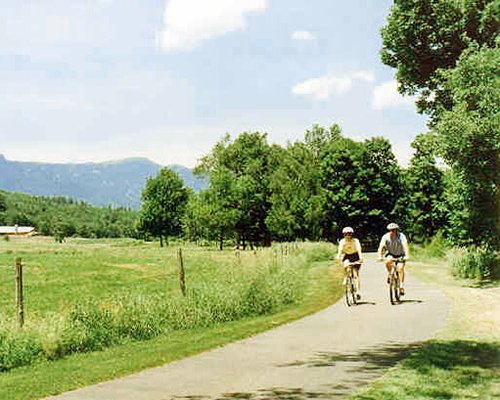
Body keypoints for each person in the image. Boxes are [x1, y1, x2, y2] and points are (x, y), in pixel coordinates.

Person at [378, 223, 410, 295]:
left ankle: (401, 286)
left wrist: (407, 255)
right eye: (391, 230)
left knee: (400, 268)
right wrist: (380, 256)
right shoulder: (386, 237)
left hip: (400, 254)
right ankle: (390, 274)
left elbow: (405, 245)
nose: (392, 231)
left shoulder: (401, 236)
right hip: (391, 254)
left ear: (396, 230)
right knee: (387, 261)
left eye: (394, 230)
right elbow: (381, 247)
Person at [336, 226, 364, 299]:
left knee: (356, 274)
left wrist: (361, 258)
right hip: (347, 256)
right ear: (344, 235)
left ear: (352, 234)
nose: (348, 236)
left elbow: (359, 249)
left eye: (349, 234)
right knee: (346, 265)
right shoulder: (342, 241)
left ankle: (358, 291)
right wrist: (338, 257)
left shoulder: (355, 241)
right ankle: (346, 277)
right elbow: (340, 250)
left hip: (355, 255)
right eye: (346, 234)